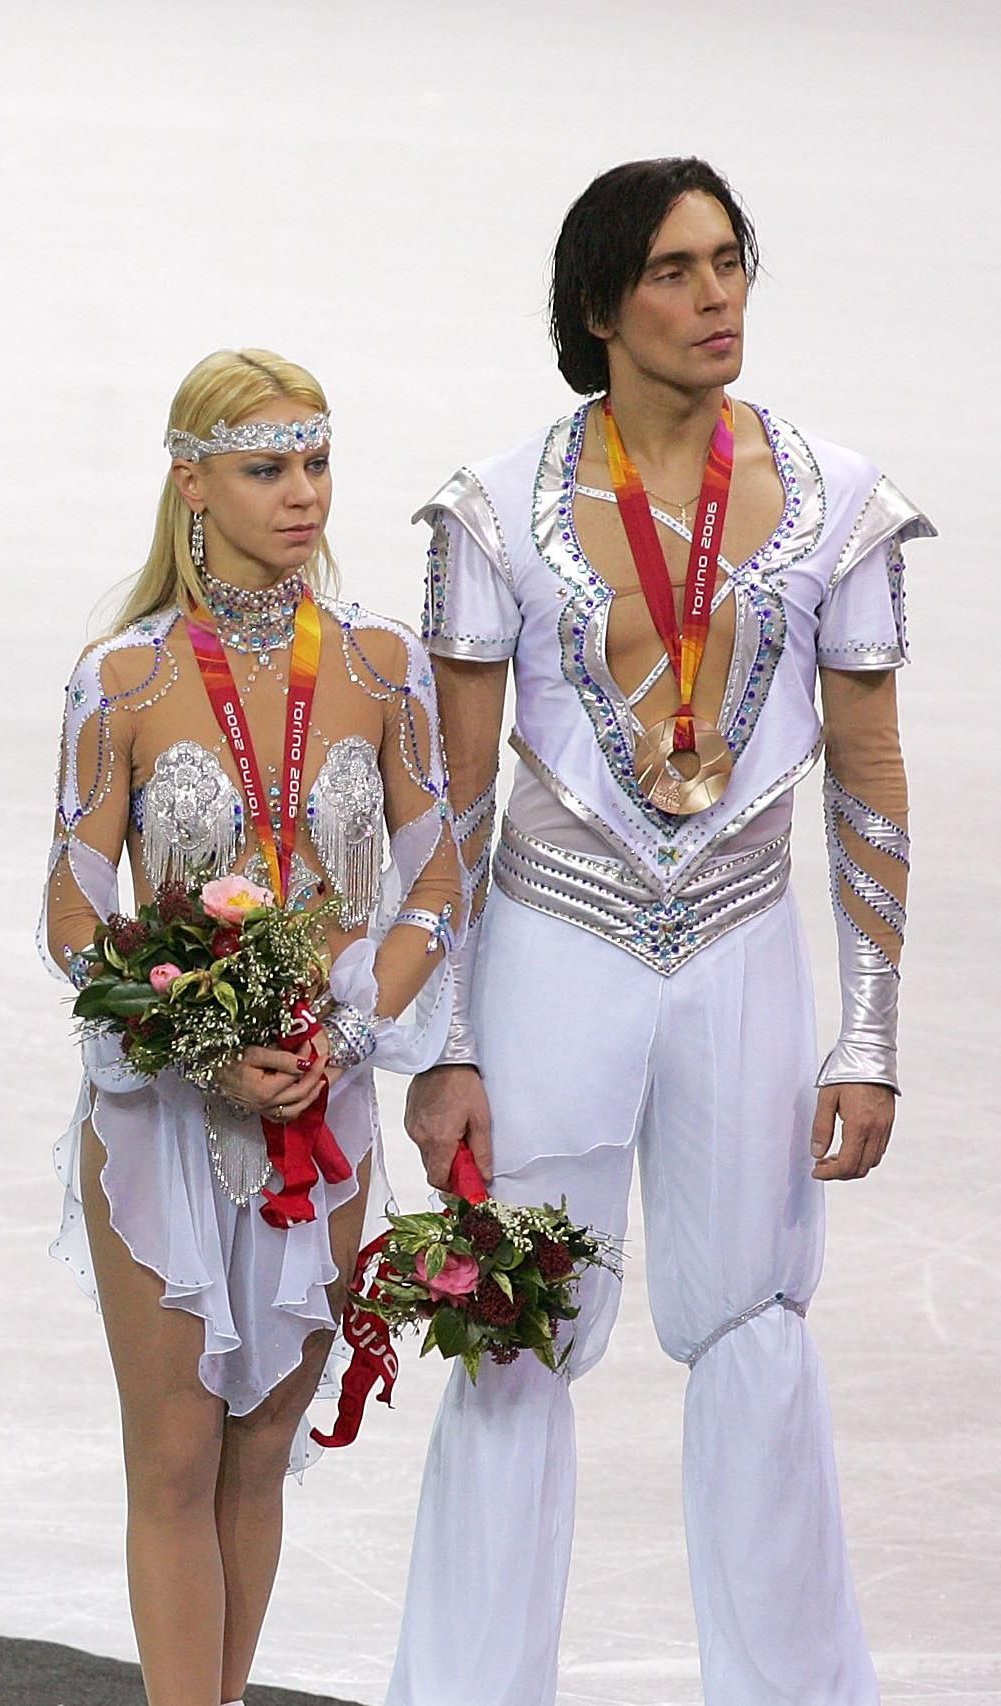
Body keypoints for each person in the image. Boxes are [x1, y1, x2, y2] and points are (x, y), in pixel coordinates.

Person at [389, 158, 917, 1706]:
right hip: (551, 946)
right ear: (601, 305)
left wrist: (870, 1029)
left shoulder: (838, 501)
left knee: (757, 1315)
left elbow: (871, 784)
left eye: (732, 262)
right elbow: (451, 800)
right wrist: (443, 1039)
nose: (718, 297)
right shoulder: (492, 509)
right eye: (679, 271)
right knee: (511, 1317)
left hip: (745, 948)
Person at [42, 352, 462, 1706]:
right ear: (192, 484)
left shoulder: (381, 666)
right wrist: (192, 1039)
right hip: (168, 1112)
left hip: (320, 1110)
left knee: (261, 1449)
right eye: (267, 467)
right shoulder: (123, 677)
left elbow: (439, 877)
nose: (301, 495)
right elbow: (71, 910)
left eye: (315, 464)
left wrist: (351, 1024)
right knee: (172, 1458)